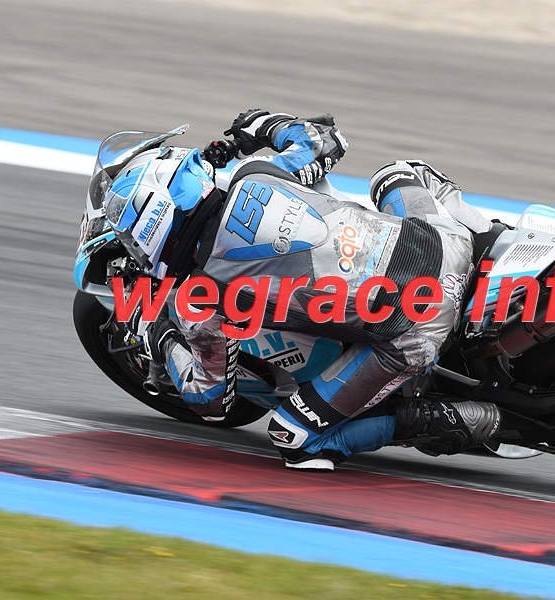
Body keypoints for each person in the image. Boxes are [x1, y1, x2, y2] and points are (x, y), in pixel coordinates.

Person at [104, 109, 502, 470]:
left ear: (151, 236)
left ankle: (442, 418)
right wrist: (258, 127)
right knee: (397, 173)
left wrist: (160, 336)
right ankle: (496, 239)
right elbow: (324, 140)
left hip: (417, 329)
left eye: (130, 239)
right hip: (449, 242)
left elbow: (211, 402)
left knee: (292, 438)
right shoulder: (257, 174)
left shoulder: (200, 299)